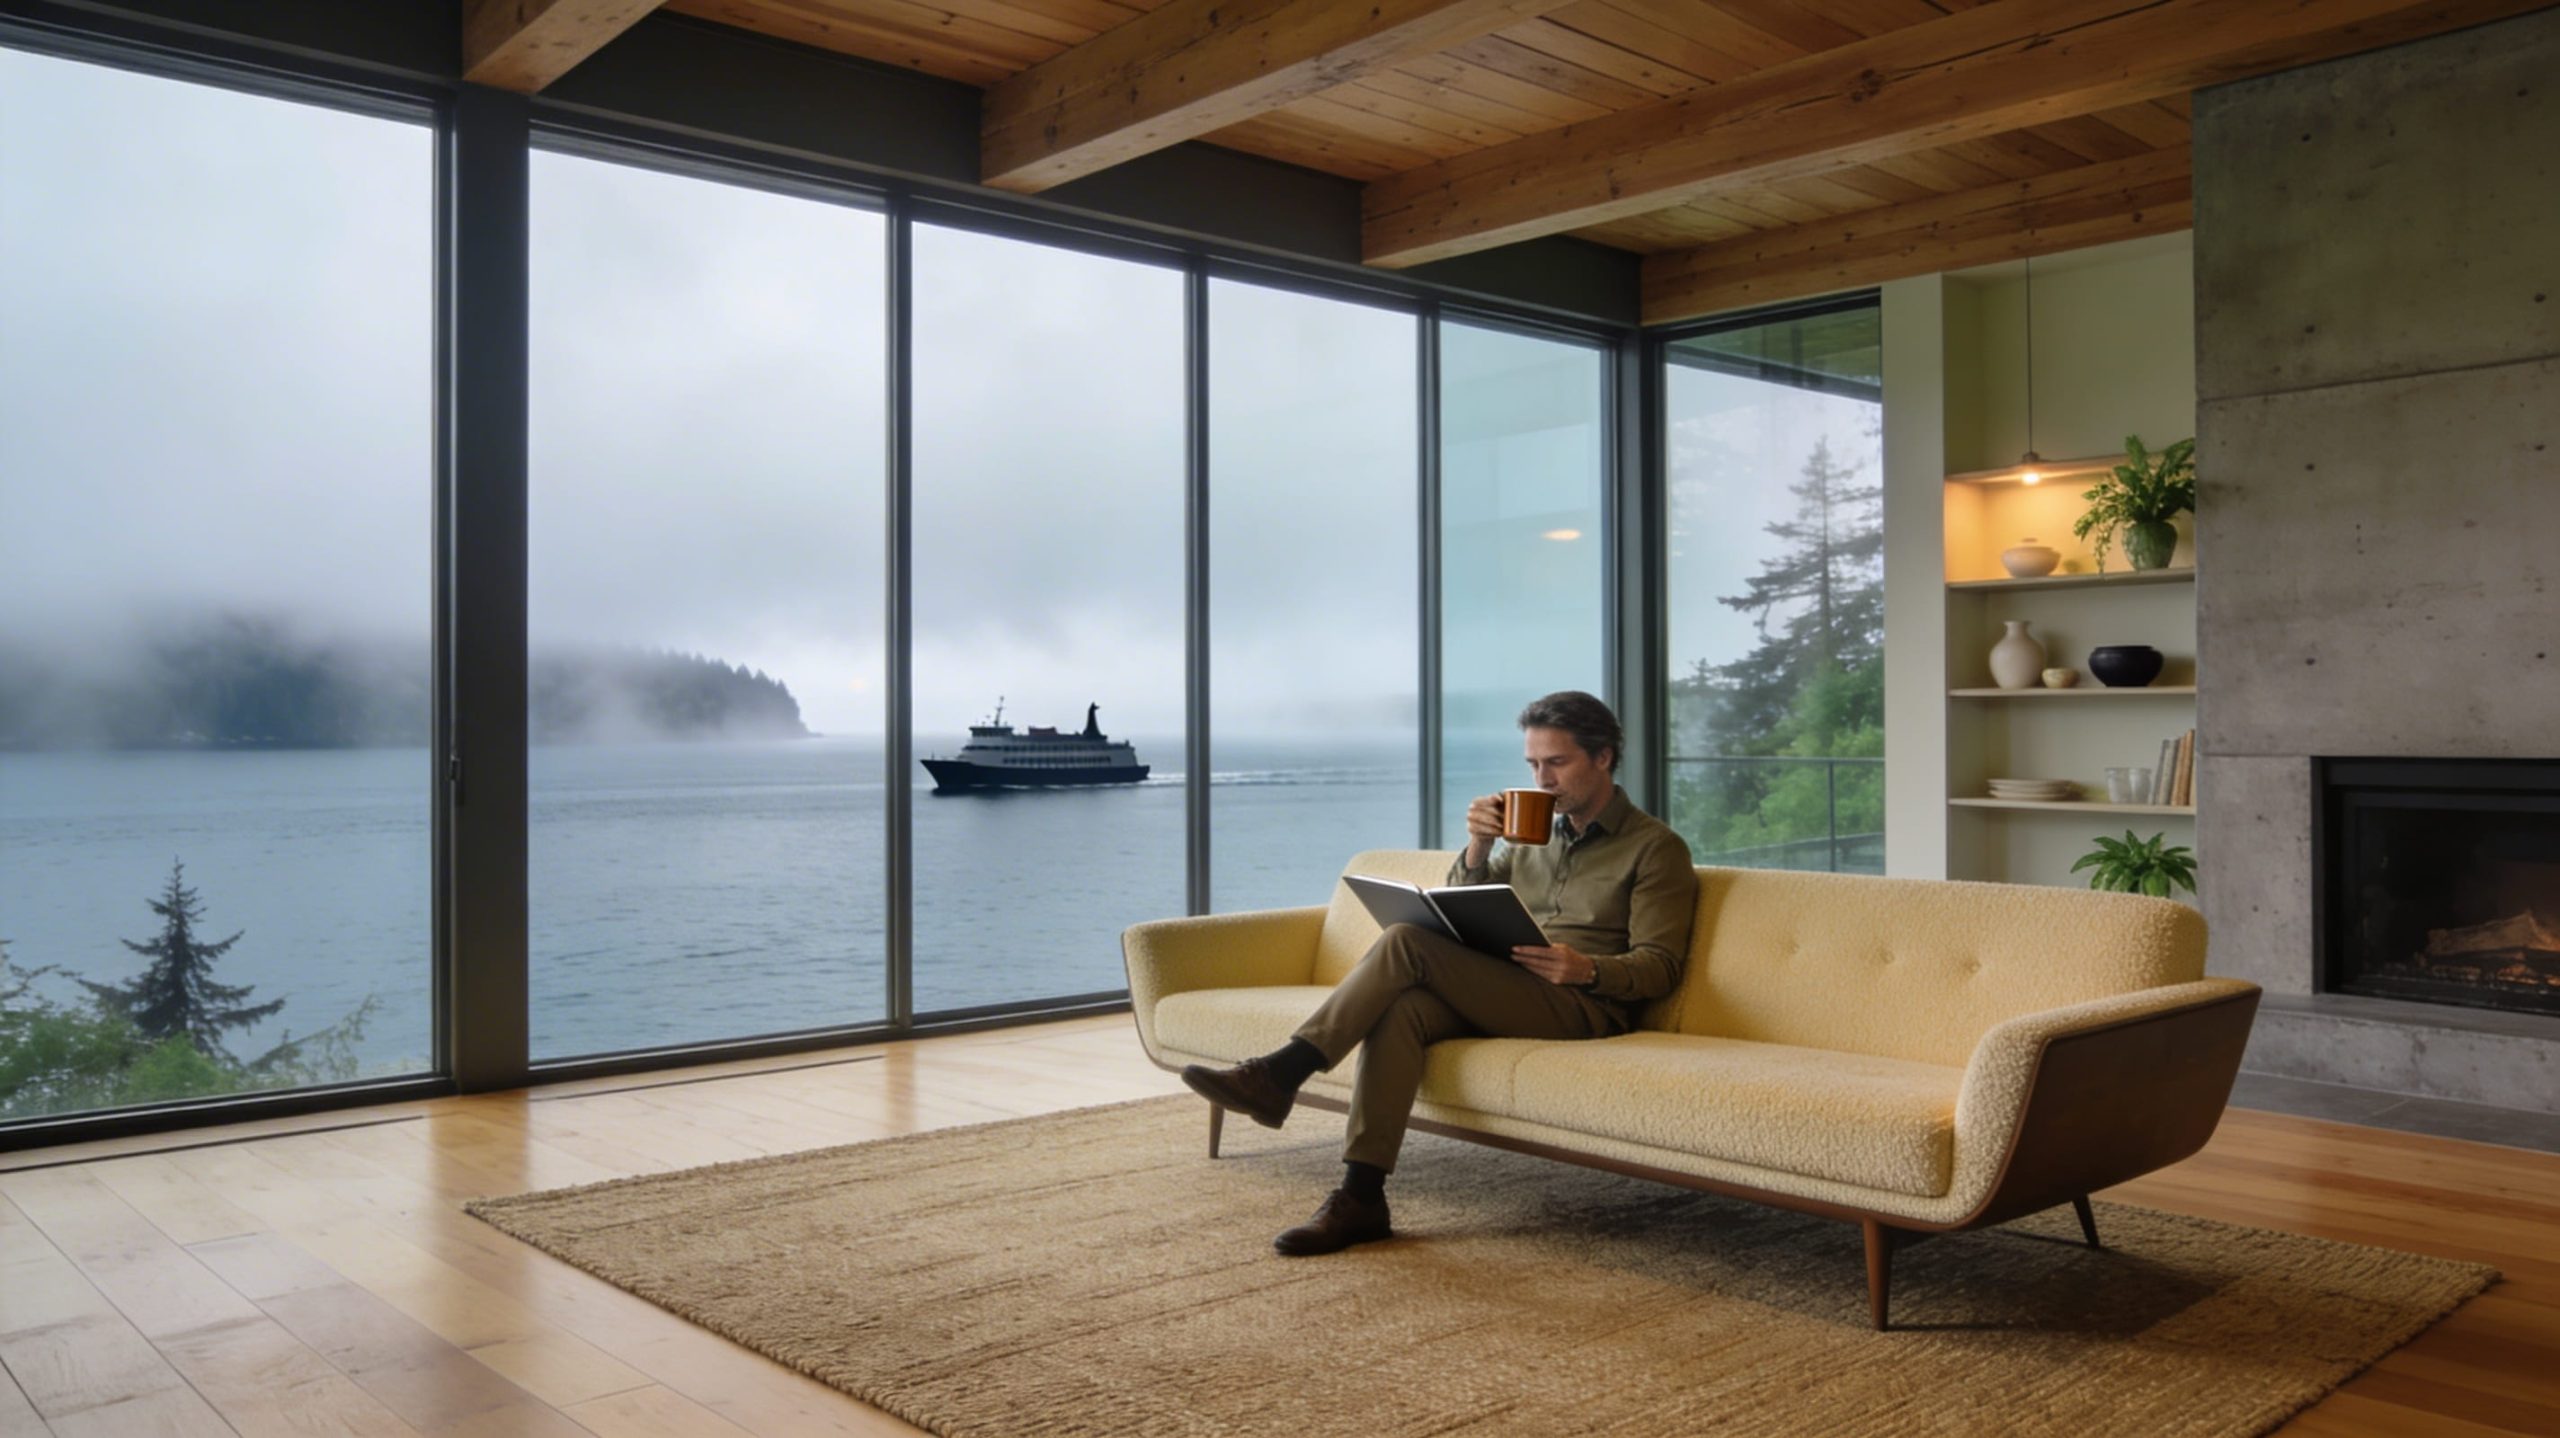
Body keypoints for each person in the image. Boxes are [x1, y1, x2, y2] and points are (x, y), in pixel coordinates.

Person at [1181, 690, 1698, 1255]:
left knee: (1406, 941)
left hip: (1583, 1005)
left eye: (1557, 762)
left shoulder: (1655, 849)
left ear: (1603, 758)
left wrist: (1587, 968)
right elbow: (1466, 900)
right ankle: (1362, 1197)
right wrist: (1479, 846)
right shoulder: (1533, 835)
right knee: (1401, 1010)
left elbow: (1660, 967)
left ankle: (1281, 1072)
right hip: (1507, 986)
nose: (1542, 778)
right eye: (1532, 764)